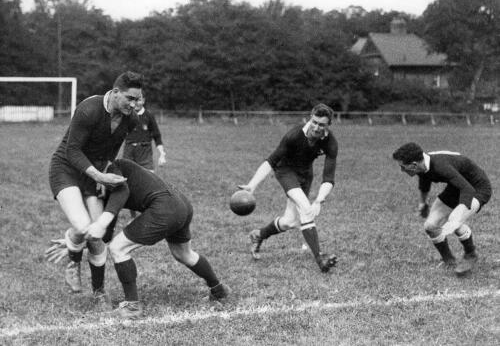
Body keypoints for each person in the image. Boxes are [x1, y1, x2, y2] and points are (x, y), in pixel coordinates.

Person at [46, 158, 229, 319]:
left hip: (164, 208)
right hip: (181, 205)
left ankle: (132, 306)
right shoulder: (113, 178)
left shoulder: (114, 171)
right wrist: (81, 239)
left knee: (119, 248)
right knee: (184, 254)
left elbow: (120, 194)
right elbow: (106, 234)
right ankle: (219, 289)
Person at [48, 71, 142, 302]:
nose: (135, 104)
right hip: (66, 169)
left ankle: (99, 293)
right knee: (82, 227)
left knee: (96, 234)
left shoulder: (131, 120)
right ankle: (73, 259)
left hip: (95, 173)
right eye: (130, 98)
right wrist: (99, 176)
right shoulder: (89, 109)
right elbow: (72, 151)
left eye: (137, 99)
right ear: (116, 92)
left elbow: (111, 150)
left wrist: (104, 173)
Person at [239, 103, 339, 273]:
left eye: (321, 124)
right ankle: (320, 257)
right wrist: (252, 185)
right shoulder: (294, 135)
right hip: (285, 171)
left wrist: (320, 199)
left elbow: (328, 177)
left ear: (328, 125)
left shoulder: (330, 142)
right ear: (310, 118)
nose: (316, 127)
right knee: (306, 209)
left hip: (305, 175)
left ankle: (259, 235)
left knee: (289, 222)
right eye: (314, 122)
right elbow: (271, 160)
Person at [392, 142, 492, 276]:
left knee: (455, 220)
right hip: (457, 187)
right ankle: (449, 260)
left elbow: (467, 189)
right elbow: (424, 180)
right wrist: (423, 203)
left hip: (477, 188)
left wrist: (457, 217)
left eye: (403, 167)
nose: (402, 170)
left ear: (414, 165)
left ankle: (470, 254)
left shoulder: (440, 166)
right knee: (430, 226)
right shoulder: (423, 166)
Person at [123, 95, 166, 172]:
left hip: (145, 152)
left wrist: (162, 154)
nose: (136, 103)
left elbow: (157, 136)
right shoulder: (125, 115)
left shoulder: (149, 116)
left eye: (138, 100)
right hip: (128, 151)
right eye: (134, 100)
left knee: (148, 178)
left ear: (143, 101)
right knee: (126, 177)